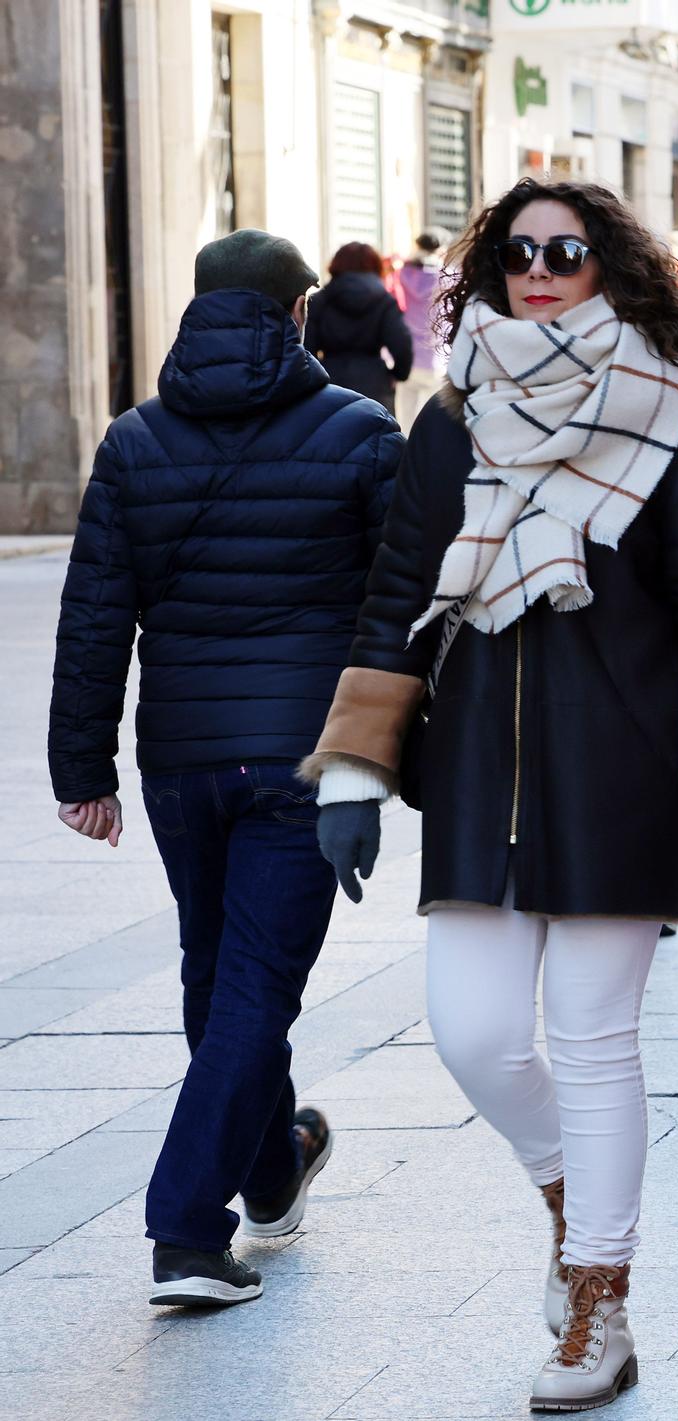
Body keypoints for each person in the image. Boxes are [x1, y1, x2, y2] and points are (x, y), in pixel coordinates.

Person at [301, 179, 678, 1413]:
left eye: (567, 250)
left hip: (620, 772)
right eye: (518, 253)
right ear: (491, 270)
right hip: (473, 773)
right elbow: (398, 587)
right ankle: (574, 1204)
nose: (541, 269)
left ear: (609, 266)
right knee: (471, 1034)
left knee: (594, 1035)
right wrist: (353, 767)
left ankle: (598, 1302)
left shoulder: (675, 417)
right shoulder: (453, 424)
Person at [47, 228, 403, 1309]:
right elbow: (400, 614)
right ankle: (187, 1229)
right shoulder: (360, 432)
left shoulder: (134, 439)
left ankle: (271, 1164)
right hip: (303, 756)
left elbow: (96, 614)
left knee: (222, 978)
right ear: (297, 314)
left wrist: (82, 766)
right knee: (248, 988)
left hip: (182, 765)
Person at [304, 241, 413, 410]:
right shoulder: (384, 301)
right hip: (374, 384)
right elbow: (401, 344)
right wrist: (398, 374)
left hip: (329, 383)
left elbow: (306, 347)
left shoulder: (319, 301)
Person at [395, 230, 449, 427]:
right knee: (430, 421)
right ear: (441, 249)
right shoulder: (446, 277)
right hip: (436, 357)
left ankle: (403, 453)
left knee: (404, 418)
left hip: (408, 356)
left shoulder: (403, 273)